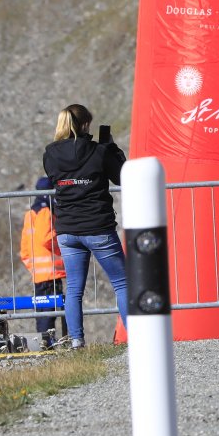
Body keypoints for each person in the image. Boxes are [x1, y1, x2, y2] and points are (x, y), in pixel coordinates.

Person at [43, 104, 128, 348]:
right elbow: (121, 176)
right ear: (85, 125)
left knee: (74, 289)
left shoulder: (50, 153)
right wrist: (111, 148)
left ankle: (76, 341)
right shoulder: (99, 152)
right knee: (122, 283)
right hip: (98, 227)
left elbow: (54, 178)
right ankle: (137, 336)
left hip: (67, 230)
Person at [20, 176, 67, 350]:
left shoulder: (29, 214)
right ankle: (46, 345)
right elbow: (46, 238)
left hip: (39, 273)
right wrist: (64, 244)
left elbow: (24, 250)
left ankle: (43, 344)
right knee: (50, 310)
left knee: (42, 311)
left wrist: (34, 267)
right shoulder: (46, 211)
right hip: (51, 272)